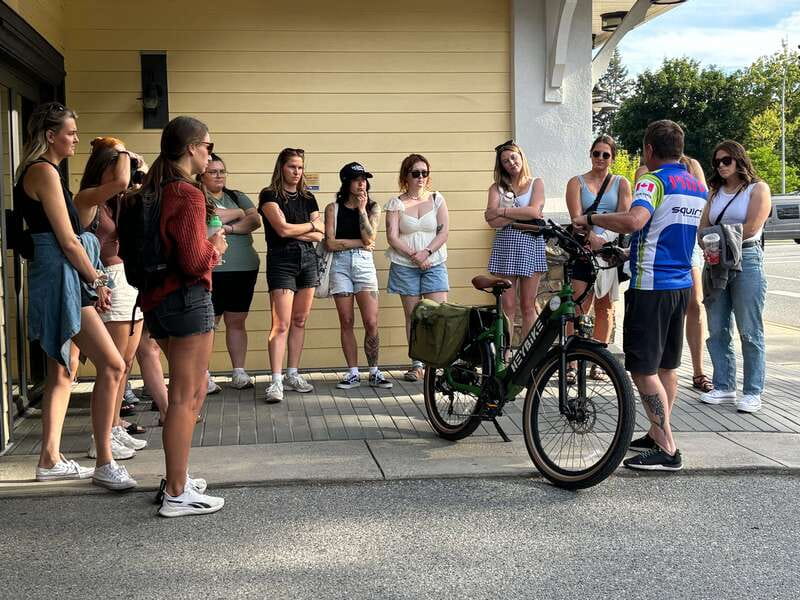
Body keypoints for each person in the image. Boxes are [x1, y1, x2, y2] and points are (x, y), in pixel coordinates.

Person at [573, 120, 706, 471]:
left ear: (649, 149)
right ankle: (655, 431)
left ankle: (667, 447)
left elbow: (635, 220)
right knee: (667, 366)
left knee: (642, 370)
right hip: (680, 285)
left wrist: (591, 218)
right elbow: (667, 233)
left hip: (651, 287)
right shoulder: (694, 185)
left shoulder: (653, 180)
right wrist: (626, 253)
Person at [14, 102, 132, 489]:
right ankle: (104, 461)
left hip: (58, 274)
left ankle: (50, 459)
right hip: (60, 274)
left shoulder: (43, 172)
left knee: (63, 370)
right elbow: (66, 240)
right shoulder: (43, 171)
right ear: (51, 136)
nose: (77, 140)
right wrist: (97, 280)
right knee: (113, 366)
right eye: (70, 133)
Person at [138, 115, 227, 517]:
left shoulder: (153, 189)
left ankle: (179, 477)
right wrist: (216, 248)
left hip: (158, 301)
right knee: (186, 398)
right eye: (207, 146)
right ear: (191, 148)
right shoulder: (187, 194)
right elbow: (193, 262)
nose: (210, 153)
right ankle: (176, 492)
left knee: (183, 396)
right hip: (187, 299)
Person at [74, 136, 147, 459]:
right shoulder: (88, 198)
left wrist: (136, 164)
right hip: (106, 279)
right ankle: (99, 437)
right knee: (113, 365)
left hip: (127, 279)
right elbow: (120, 178)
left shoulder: (120, 200)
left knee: (126, 363)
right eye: (118, 165)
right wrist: (120, 151)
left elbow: (139, 183)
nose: (125, 173)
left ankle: (115, 425)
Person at [698, 140, 771, 413]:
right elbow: (703, 227)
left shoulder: (757, 188)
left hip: (747, 258)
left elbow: (752, 228)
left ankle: (752, 391)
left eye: (726, 160)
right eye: (717, 162)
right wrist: (708, 242)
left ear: (739, 160)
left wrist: (717, 237)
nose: (721, 166)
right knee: (717, 327)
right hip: (716, 261)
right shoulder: (714, 192)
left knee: (750, 330)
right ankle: (724, 385)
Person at [636, 155, 713, 393]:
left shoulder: (691, 167)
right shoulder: (646, 172)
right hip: (662, 250)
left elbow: (635, 219)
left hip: (680, 248)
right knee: (663, 363)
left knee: (695, 305)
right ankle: (661, 428)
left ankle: (698, 369)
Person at [259, 148, 323, 403]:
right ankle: (275, 381)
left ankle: (292, 373)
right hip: (282, 260)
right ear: (281, 168)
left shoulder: (308, 198)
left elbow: (321, 235)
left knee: (299, 320)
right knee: (281, 323)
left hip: (308, 260)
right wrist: (310, 226)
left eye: (300, 167)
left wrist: (308, 230)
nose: (297, 172)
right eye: (292, 167)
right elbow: (282, 230)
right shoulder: (269, 194)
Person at [565, 135, 632, 377]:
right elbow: (576, 218)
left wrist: (604, 240)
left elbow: (625, 216)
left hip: (609, 251)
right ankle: (572, 362)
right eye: (596, 153)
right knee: (578, 304)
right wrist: (591, 237)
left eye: (606, 154)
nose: (600, 159)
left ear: (612, 157)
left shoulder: (621, 183)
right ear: (590, 154)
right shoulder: (577, 183)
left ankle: (598, 363)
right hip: (583, 248)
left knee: (605, 306)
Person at [325, 162, 392, 389]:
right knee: (346, 320)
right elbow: (331, 243)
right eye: (356, 179)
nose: (362, 183)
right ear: (346, 182)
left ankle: (374, 371)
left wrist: (362, 211)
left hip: (364, 265)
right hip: (340, 266)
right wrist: (361, 243)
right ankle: (352, 371)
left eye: (364, 178)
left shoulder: (373, 207)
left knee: (371, 321)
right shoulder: (333, 208)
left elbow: (371, 238)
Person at [199, 153, 261, 390]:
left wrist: (226, 227)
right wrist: (237, 214)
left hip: (244, 268)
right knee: (209, 323)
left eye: (222, 171)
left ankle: (239, 372)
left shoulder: (236, 195)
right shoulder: (198, 195)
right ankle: (203, 375)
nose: (219, 176)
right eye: (213, 171)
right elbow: (206, 218)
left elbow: (255, 220)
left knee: (237, 320)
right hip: (212, 269)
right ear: (202, 175)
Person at [385, 154, 450, 382]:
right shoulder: (396, 203)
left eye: (424, 172)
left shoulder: (436, 199)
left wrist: (426, 253)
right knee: (413, 316)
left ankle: (438, 363)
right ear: (406, 175)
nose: (421, 177)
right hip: (405, 265)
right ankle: (417, 364)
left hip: (434, 262)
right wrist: (414, 256)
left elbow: (443, 232)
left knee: (438, 314)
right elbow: (392, 237)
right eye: (415, 173)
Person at [484, 141, 546, 340]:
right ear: (501, 166)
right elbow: (490, 219)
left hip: (531, 244)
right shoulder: (496, 188)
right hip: (506, 246)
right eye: (505, 161)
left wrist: (502, 211)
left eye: (513, 157)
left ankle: (528, 357)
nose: (510, 162)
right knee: (507, 305)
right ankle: (506, 353)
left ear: (521, 157)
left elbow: (535, 211)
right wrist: (522, 214)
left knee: (528, 305)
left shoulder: (536, 183)